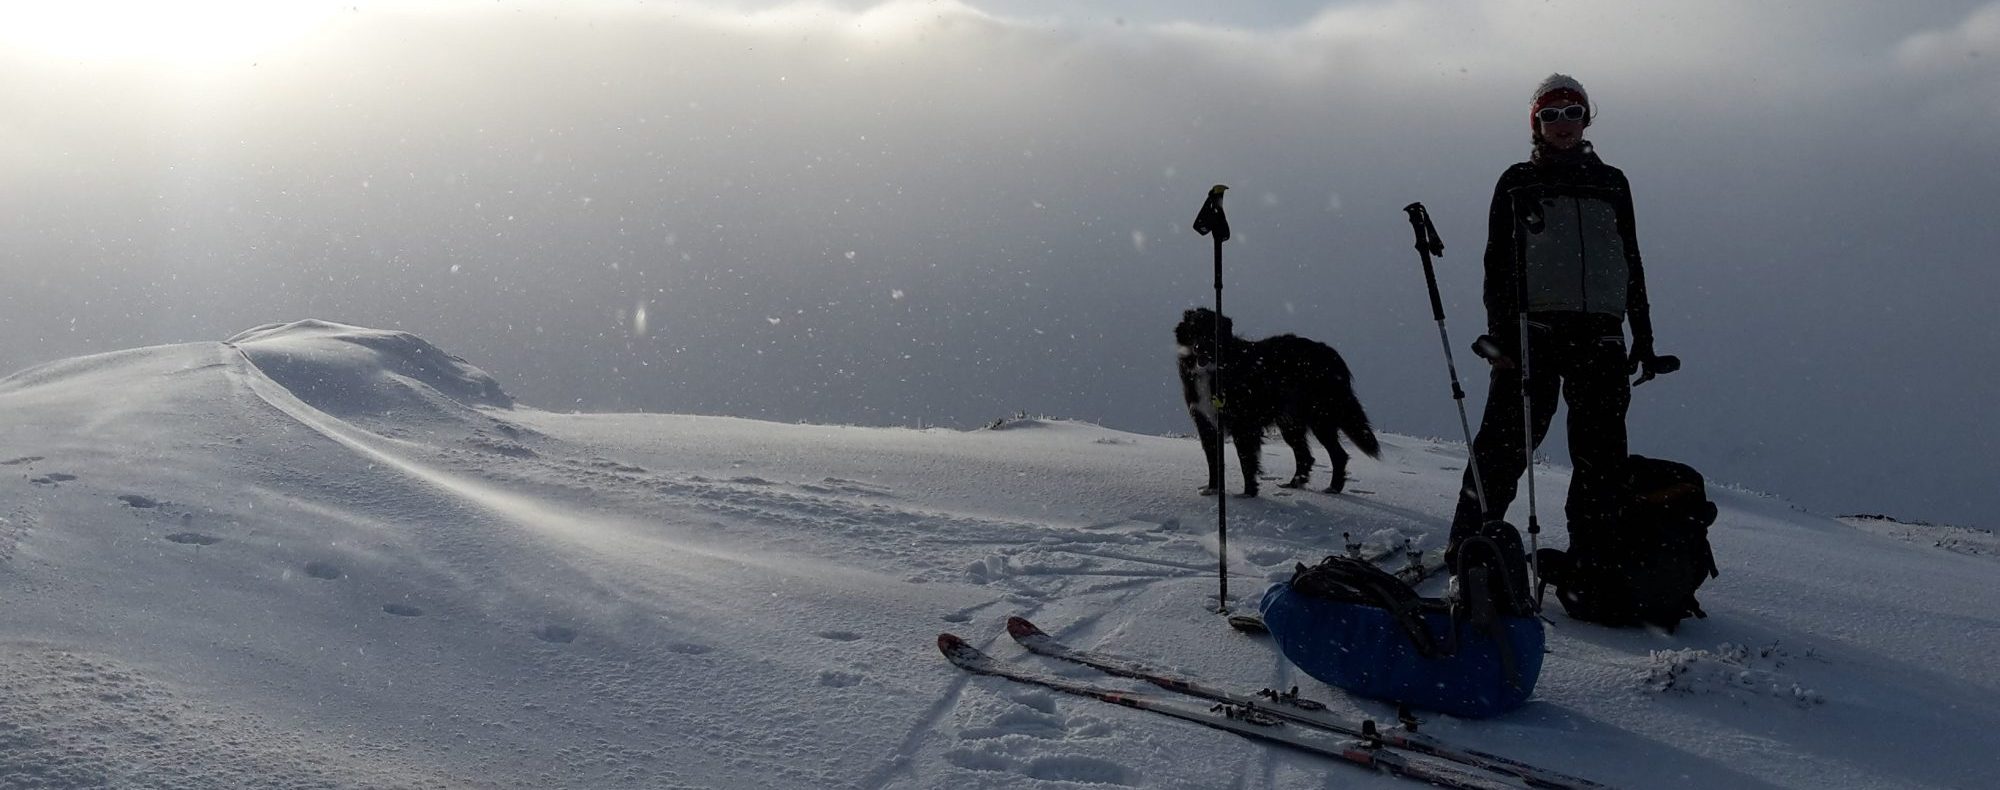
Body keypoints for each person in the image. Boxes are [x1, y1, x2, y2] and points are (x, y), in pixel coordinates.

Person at [1447, 74, 1669, 575]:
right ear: (1536, 124)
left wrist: (1644, 336)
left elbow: (1629, 259)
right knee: (1506, 442)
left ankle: (1593, 557)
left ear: (1586, 118)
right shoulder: (1517, 181)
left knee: (1601, 455)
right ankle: (1469, 542)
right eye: (1551, 114)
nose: (1562, 123)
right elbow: (1497, 263)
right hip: (1535, 332)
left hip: (1603, 334)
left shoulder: (1613, 182)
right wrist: (1500, 337)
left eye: (1572, 112)